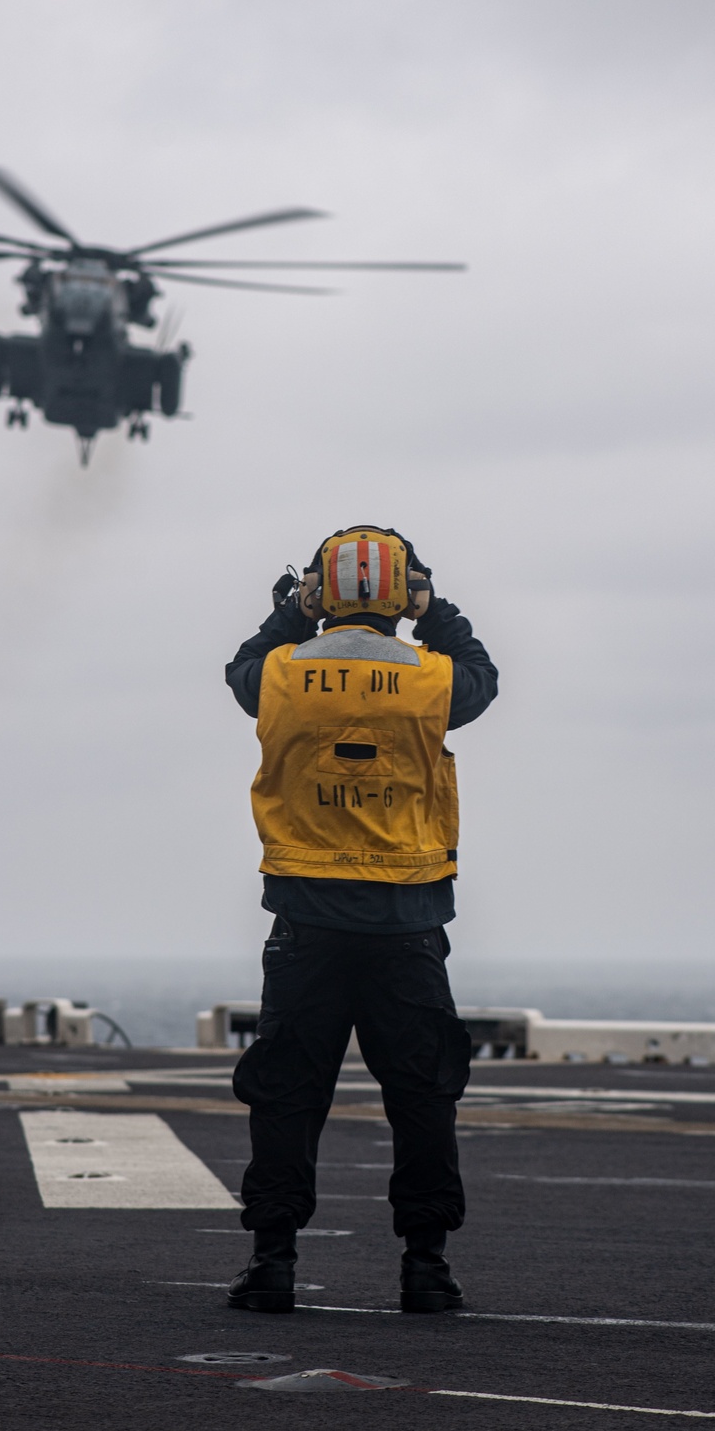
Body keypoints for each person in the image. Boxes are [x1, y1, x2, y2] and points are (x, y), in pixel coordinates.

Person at [223, 525, 497, 1314]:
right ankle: (426, 1267)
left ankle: (273, 1261)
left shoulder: (280, 674)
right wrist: (434, 610)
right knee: (422, 1095)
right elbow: (483, 678)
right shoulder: (431, 678)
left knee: (286, 1095)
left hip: (306, 921)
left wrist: (290, 614)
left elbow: (240, 671)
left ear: (323, 590)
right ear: (399, 591)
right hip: (407, 921)